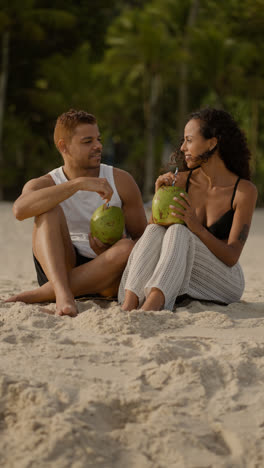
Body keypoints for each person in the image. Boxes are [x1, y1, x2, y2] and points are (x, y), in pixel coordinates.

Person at [6, 109, 147, 316]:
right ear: (64, 146)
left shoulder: (121, 181)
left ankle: (42, 294)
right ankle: (62, 293)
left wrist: (106, 251)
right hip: (60, 266)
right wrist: (78, 184)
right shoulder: (46, 183)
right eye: (87, 141)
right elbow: (20, 210)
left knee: (126, 247)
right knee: (48, 210)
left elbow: (143, 239)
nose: (98, 146)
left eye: (98, 139)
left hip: (107, 272)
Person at [119, 107, 258, 312]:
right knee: (157, 229)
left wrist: (197, 228)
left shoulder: (243, 191)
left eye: (189, 140)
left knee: (180, 230)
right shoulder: (181, 181)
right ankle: (130, 302)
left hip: (225, 279)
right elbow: (154, 236)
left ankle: (154, 303)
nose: (183, 147)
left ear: (212, 143)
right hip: (184, 272)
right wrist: (160, 200)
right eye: (183, 141)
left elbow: (231, 256)